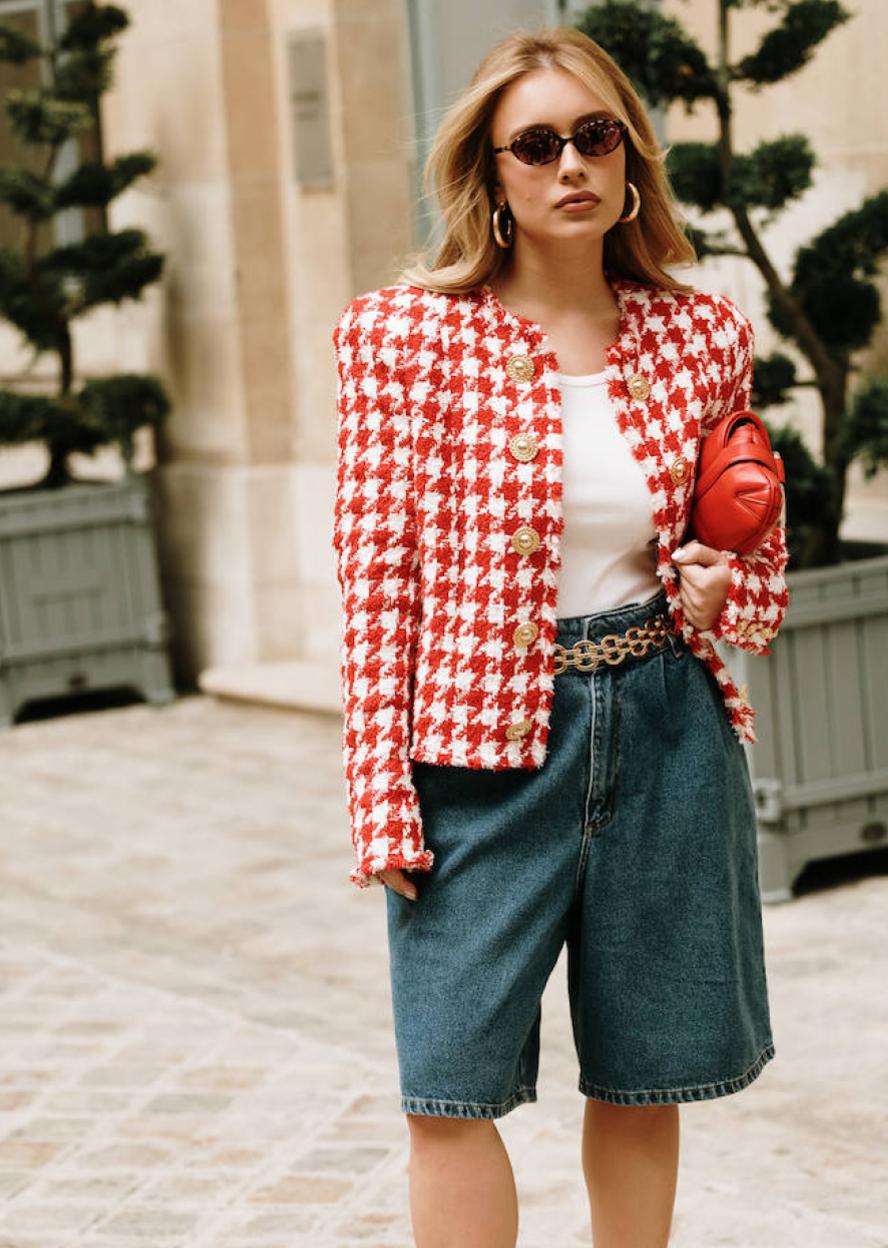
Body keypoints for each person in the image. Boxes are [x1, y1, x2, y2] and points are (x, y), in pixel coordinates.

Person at [330, 24, 789, 1248]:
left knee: (644, 1078)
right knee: (448, 1085)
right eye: (534, 144)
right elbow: (374, 582)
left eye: (594, 135)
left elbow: (755, 558)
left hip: (664, 732)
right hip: (475, 762)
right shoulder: (403, 343)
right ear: (491, 173)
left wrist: (711, 593)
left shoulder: (699, 335)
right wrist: (380, 793)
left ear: (630, 155)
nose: (569, 163)